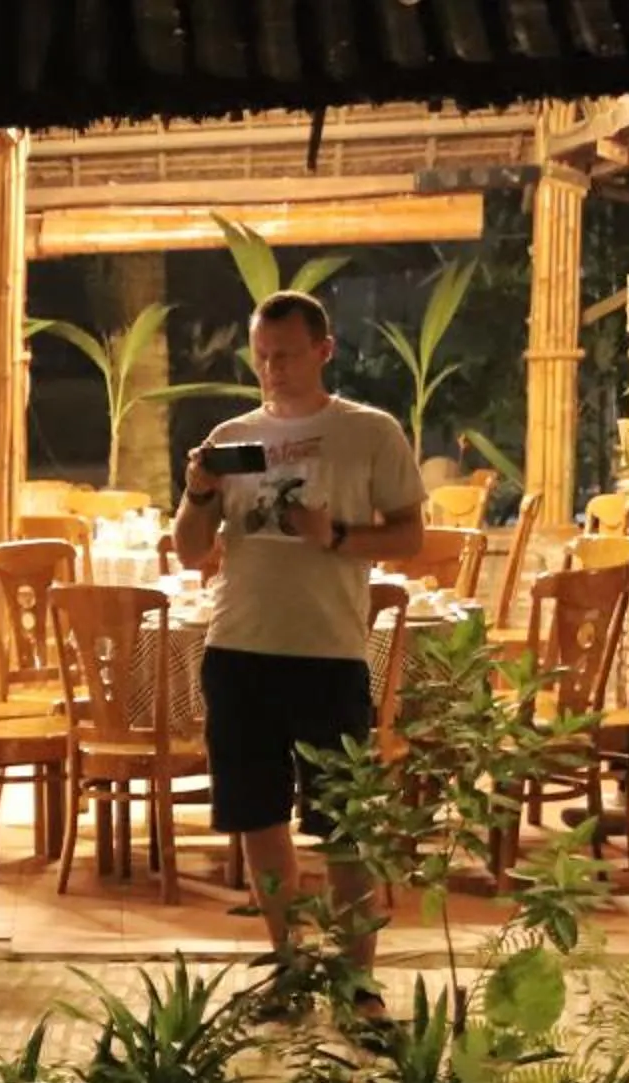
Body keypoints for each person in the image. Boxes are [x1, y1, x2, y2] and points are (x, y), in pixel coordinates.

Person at [172, 290, 426, 1031]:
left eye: (285, 354)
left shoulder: (368, 432)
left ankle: (357, 983)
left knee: (343, 824)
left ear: (324, 349)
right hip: (238, 647)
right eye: (262, 357)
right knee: (257, 818)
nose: (273, 369)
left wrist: (337, 537)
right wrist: (197, 490)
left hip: (327, 652)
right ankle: (287, 964)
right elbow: (192, 551)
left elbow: (409, 537)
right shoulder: (233, 435)